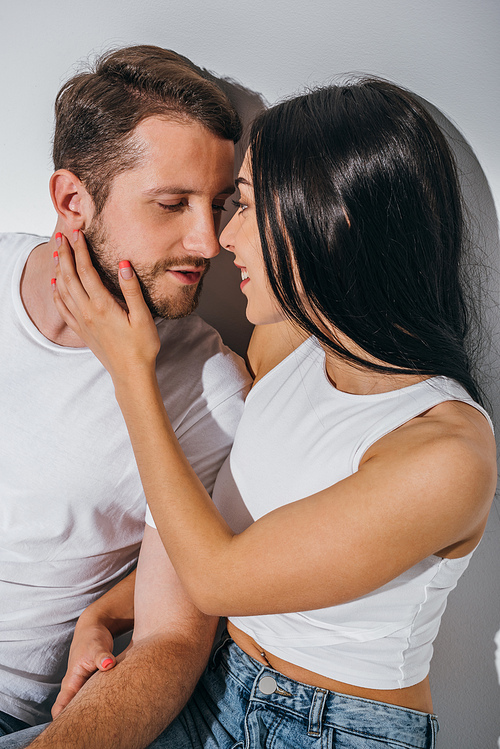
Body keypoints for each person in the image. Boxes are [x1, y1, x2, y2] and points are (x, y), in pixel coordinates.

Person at [6, 79, 497, 749]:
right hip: (225, 685)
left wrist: (131, 372)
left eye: (241, 205)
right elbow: (235, 537)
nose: (218, 238)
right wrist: (105, 609)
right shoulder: (283, 351)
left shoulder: (447, 452)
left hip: (335, 728)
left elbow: (218, 575)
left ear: (333, 220)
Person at [0, 44, 251, 744]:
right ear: (72, 201)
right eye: (173, 204)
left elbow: (175, 639)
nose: (209, 241)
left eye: (221, 203)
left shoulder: (208, 387)